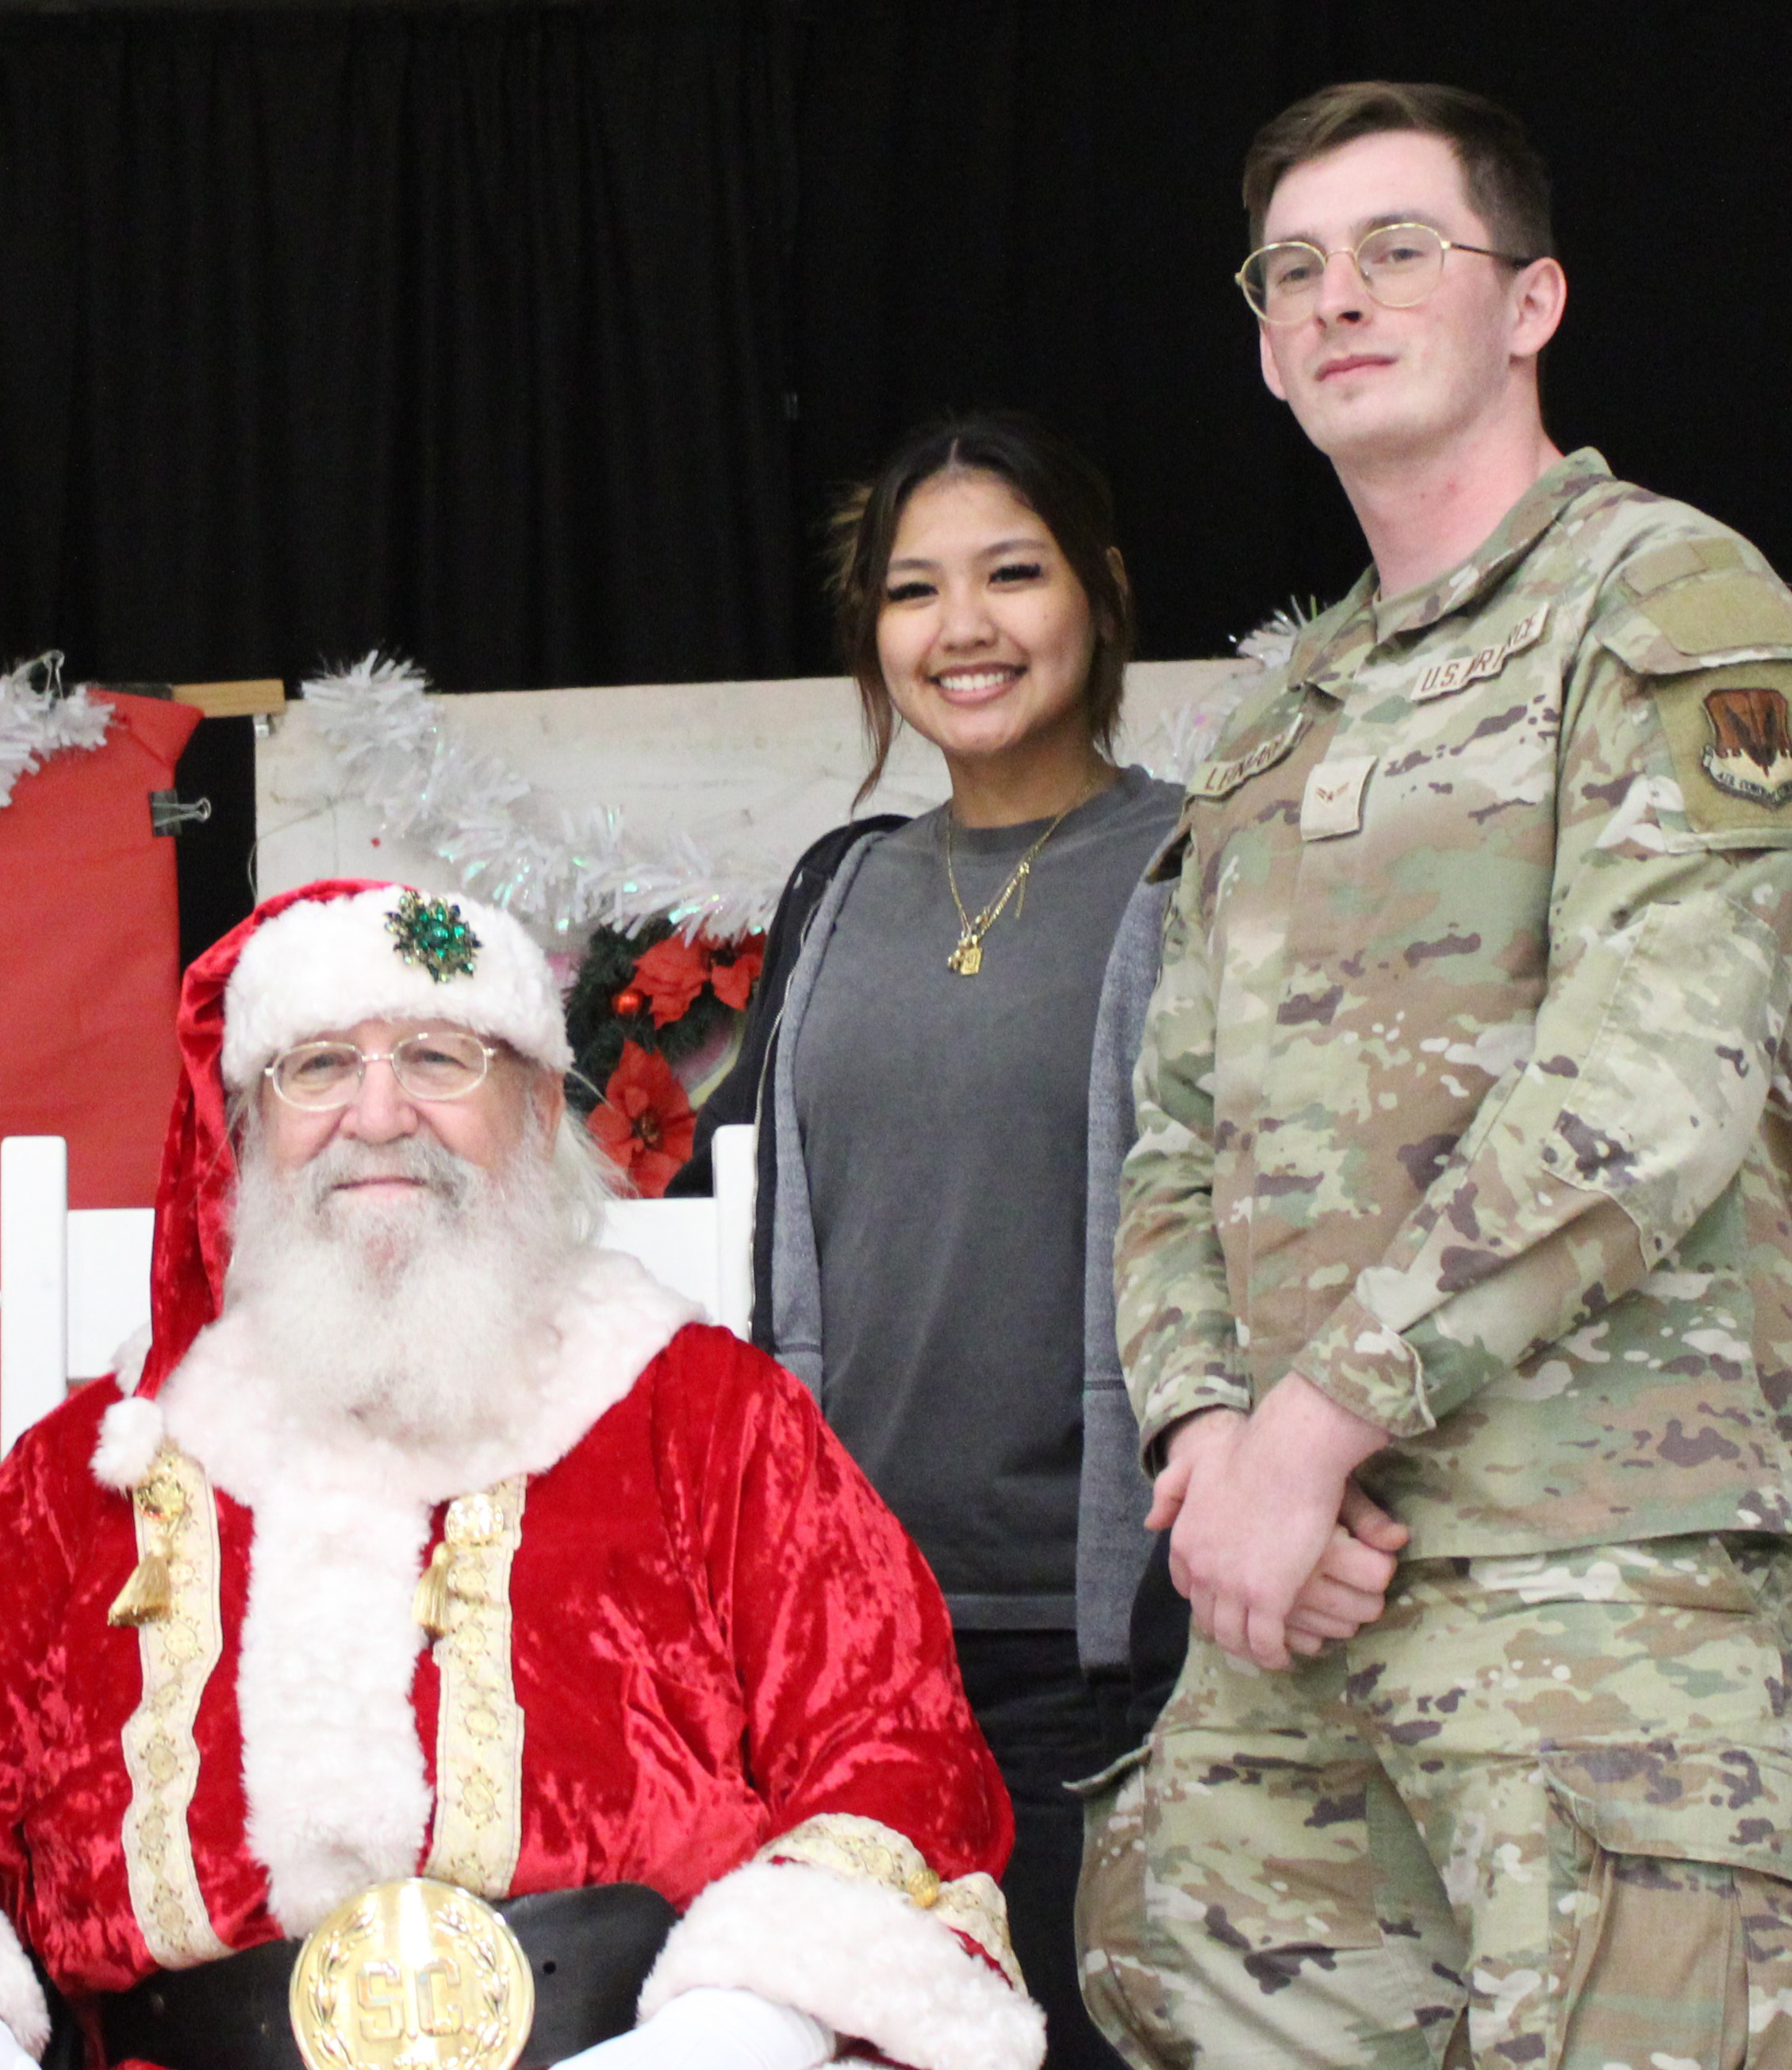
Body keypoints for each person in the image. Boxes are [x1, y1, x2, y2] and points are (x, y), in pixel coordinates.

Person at [0, 880, 1045, 2070]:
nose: (376, 1116)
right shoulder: (99, 1467)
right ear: (244, 1128)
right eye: (317, 1068)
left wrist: (722, 2036)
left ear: (538, 1107)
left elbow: (896, 1759)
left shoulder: (710, 1417)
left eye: (435, 1057)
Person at [1082, 81, 1792, 2070]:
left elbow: (1648, 1084)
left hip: (1602, 1590)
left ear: (1532, 302)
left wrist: (1307, 1432)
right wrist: (1200, 1450)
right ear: (1261, 345)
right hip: (1294, 1614)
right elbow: (1174, 1134)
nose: (1341, 300)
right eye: (1295, 272)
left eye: (1400, 250)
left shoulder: (1668, 606)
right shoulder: (1281, 718)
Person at [680, 409, 1188, 2070]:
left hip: (1110, 1654)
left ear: (1099, 598)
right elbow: (753, 1237)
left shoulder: (1201, 868)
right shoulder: (841, 887)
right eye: (914, 591)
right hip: (850, 1660)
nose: (961, 628)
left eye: (1011, 575)